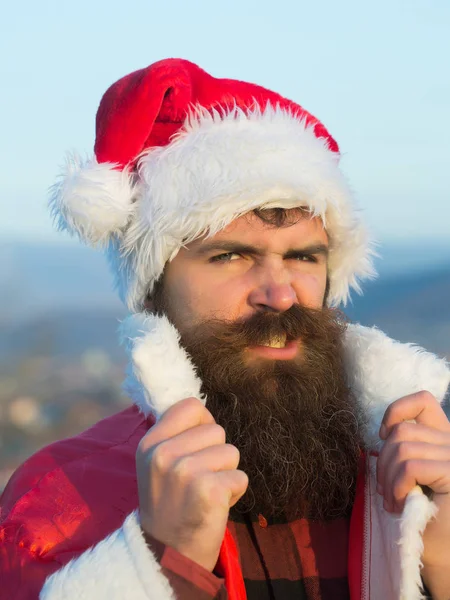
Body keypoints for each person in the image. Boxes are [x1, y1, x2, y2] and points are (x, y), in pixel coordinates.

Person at [1, 58, 449, 600]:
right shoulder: (60, 503)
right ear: (154, 288)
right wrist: (163, 558)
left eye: (305, 257)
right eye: (231, 255)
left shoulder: (415, 477)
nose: (280, 292)